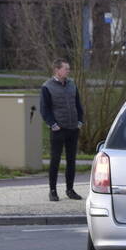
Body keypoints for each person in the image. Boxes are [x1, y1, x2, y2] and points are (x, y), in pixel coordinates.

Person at [40, 59, 85, 202]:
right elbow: (44, 109)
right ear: (57, 70)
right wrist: (53, 124)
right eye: (66, 68)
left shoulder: (72, 85)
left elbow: (78, 104)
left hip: (73, 128)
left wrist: (80, 121)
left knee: (71, 161)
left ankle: (70, 189)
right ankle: (52, 191)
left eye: (68, 68)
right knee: (55, 160)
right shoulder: (47, 87)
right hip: (58, 129)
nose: (68, 71)